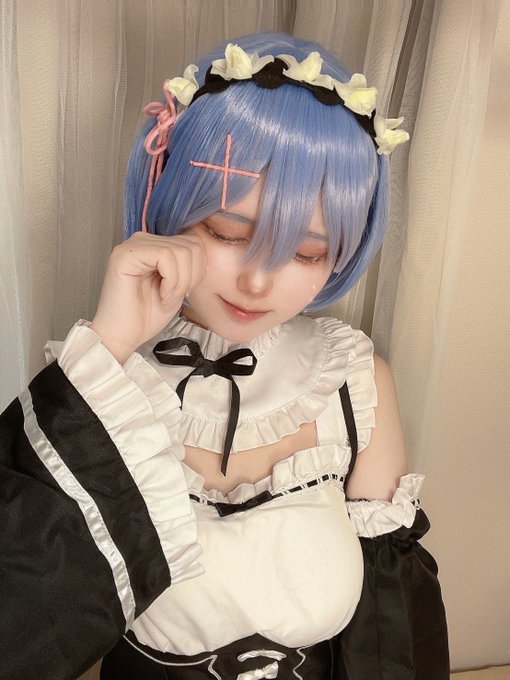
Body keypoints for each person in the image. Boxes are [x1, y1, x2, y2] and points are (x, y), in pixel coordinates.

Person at [0, 32, 448, 680]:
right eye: (228, 233)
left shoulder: (352, 382)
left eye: (307, 253)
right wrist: (110, 345)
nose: (258, 282)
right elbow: (23, 613)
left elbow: (391, 635)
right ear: (170, 200)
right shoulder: (101, 383)